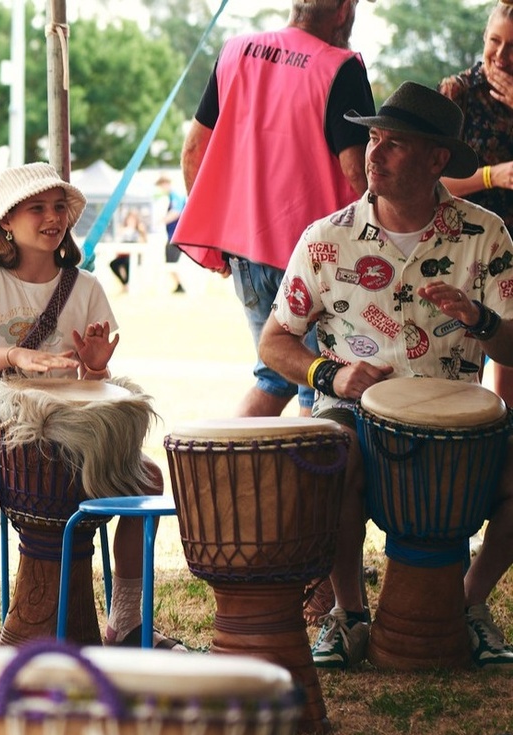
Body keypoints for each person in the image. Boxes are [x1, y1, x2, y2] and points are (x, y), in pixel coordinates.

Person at [260, 82, 513, 670]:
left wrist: (477, 318)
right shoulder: (326, 240)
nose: (374, 152)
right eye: (373, 137)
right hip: (357, 413)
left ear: (436, 159)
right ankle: (347, 614)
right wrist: (329, 375)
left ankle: (468, 605)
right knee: (328, 453)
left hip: (459, 423)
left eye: (394, 143)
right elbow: (275, 342)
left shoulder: (487, 236)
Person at [0, 162, 177, 652]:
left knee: (149, 478)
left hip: (73, 433)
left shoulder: (85, 286)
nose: (53, 217)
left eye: (59, 207)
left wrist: (94, 367)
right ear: (6, 220)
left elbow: (94, 385)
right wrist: (12, 355)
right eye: (37, 208)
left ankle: (127, 623)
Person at [173, 0, 374, 417]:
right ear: (342, 9)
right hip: (316, 258)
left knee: (276, 376)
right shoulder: (341, 66)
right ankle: (307, 484)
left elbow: (194, 149)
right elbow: (359, 173)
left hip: (245, 253)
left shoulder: (236, 51)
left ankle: (226, 476)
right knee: (317, 386)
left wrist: (218, 237)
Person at [441, 1, 513, 403]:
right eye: (494, 41)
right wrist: (491, 175)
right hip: (465, 245)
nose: (501, 56)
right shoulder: (458, 92)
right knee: (459, 371)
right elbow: (427, 179)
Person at [155, 175, 186, 293]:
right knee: (170, 262)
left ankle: (180, 286)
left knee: (171, 263)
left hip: (176, 236)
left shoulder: (175, 196)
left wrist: (161, 221)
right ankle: (179, 286)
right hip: (173, 236)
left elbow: (176, 212)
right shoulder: (173, 196)